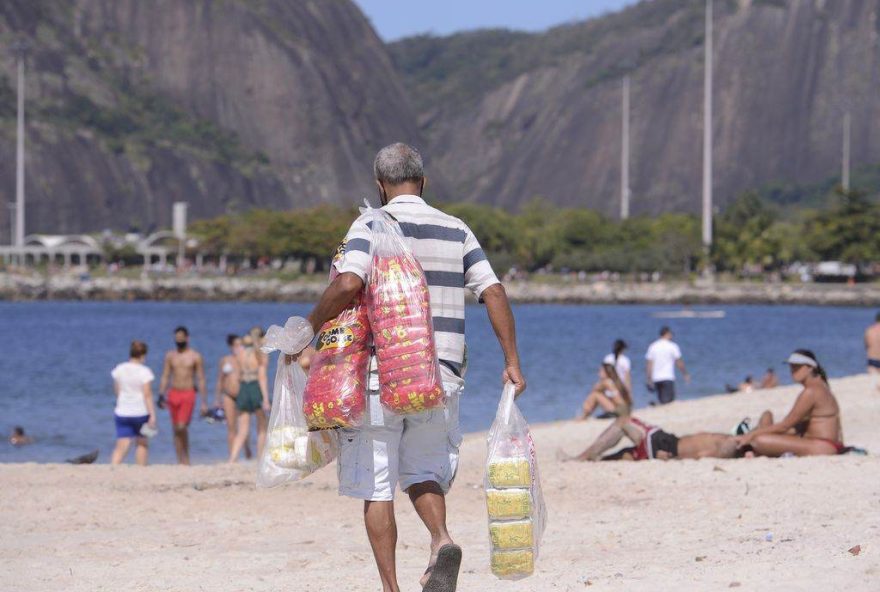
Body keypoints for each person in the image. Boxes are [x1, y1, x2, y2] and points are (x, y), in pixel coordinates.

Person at [288, 143, 525, 592]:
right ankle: (441, 540)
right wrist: (511, 362)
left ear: (379, 187)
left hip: (381, 375)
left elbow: (349, 281)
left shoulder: (371, 223)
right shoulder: (457, 229)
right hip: (442, 375)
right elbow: (493, 291)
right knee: (423, 472)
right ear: (424, 181)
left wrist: (308, 327)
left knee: (376, 483)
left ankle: (391, 588)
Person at [737, 350, 844, 457]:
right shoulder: (820, 386)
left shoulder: (811, 391)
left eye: (797, 367)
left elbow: (785, 426)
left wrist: (752, 434)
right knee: (767, 416)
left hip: (822, 446)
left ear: (810, 368)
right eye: (792, 367)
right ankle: (750, 445)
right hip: (823, 443)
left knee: (759, 440)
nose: (793, 371)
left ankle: (749, 447)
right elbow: (794, 427)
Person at [561, 415, 738, 462]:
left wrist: (672, 457)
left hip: (662, 444)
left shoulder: (724, 446)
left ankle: (583, 457)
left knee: (623, 421)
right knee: (624, 455)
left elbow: (699, 455)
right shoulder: (726, 442)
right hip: (664, 445)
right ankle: (597, 459)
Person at [159, 326, 207, 465]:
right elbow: (165, 375)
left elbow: (201, 378)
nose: (179, 340)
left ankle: (186, 457)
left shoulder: (195, 356)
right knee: (175, 428)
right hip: (173, 393)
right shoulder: (170, 356)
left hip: (188, 393)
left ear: (187, 338)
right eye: (177, 337)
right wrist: (161, 393)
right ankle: (180, 459)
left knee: (182, 426)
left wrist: (204, 402)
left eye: (181, 337)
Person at [110, 340, 158, 465]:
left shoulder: (119, 369)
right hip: (140, 412)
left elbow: (117, 390)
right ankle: (140, 470)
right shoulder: (144, 371)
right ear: (143, 355)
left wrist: (122, 401)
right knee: (142, 443)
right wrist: (152, 414)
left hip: (122, 411)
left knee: (122, 444)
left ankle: (113, 468)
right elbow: (147, 394)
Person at [228, 333, 269, 462]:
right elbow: (262, 378)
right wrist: (266, 399)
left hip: (243, 388)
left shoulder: (240, 355)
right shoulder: (259, 355)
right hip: (255, 387)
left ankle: (233, 457)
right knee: (262, 426)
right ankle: (260, 456)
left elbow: (237, 375)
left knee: (242, 429)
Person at [215, 334, 251, 458]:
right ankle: (232, 456)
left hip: (242, 394)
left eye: (240, 345)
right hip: (228, 395)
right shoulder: (225, 360)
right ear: (231, 346)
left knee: (243, 427)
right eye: (236, 345)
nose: (238, 347)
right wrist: (217, 399)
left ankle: (247, 450)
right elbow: (220, 380)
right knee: (231, 426)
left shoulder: (245, 359)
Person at [645, 326, 689, 404]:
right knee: (669, 401)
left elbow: (649, 364)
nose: (672, 336)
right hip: (668, 377)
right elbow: (679, 362)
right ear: (667, 334)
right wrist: (685, 373)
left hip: (656, 378)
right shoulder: (672, 346)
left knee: (662, 399)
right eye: (671, 334)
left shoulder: (653, 346)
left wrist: (649, 378)